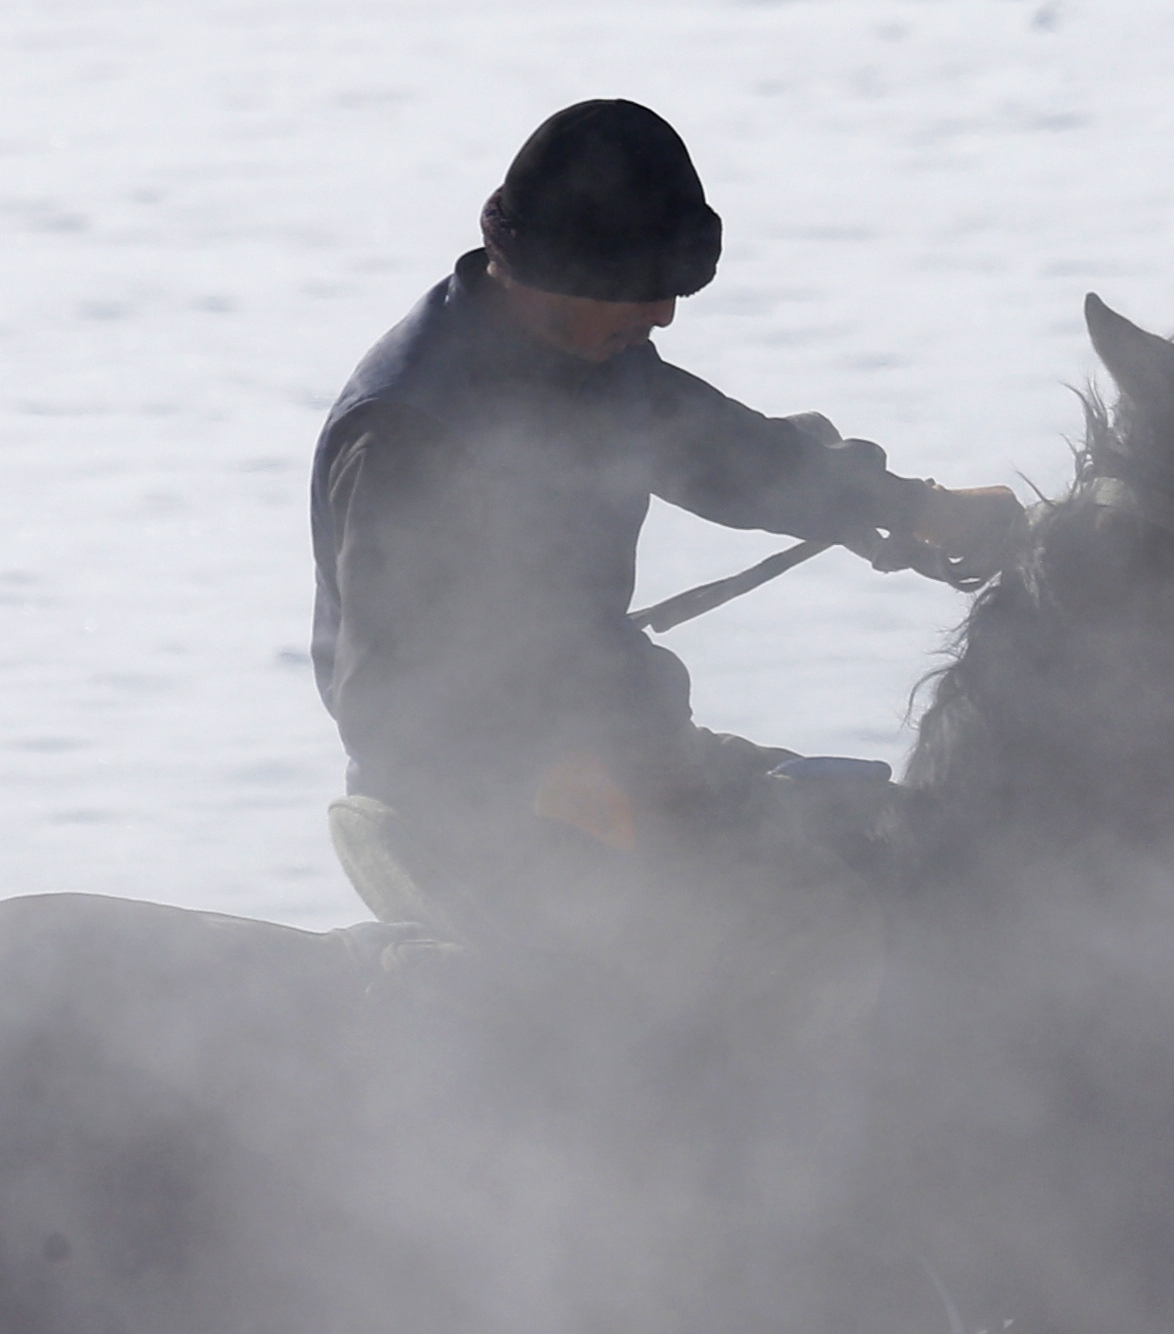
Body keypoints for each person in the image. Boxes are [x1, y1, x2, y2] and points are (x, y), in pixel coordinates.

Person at [309, 98, 1024, 947]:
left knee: (900, 847)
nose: (663, 318)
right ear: (562, 272)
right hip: (476, 823)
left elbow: (733, 455)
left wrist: (916, 508)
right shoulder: (411, 430)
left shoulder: (589, 360)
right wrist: (569, 783)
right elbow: (391, 706)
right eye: (645, 293)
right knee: (798, 938)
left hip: (622, 754)